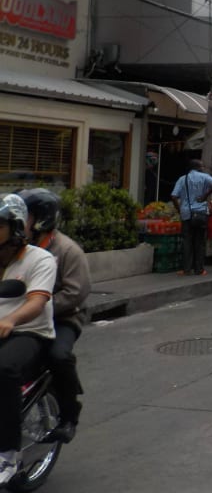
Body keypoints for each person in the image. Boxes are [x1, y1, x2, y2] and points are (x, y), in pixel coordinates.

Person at [20, 189, 89, 444]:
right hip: (21, 316)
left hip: (62, 318)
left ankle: (69, 414)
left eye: (24, 216)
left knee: (58, 355)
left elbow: (75, 293)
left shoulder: (68, 250)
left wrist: (37, 307)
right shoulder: (17, 247)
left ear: (40, 219)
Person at [0, 194, 56, 485]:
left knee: (4, 369)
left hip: (30, 332)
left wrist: (10, 319)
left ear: (17, 228)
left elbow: (36, 301)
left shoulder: (41, 259)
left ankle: (7, 454)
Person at [171, 160, 212, 276]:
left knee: (187, 241)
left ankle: (186, 269)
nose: (203, 168)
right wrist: (204, 196)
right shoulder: (204, 177)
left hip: (186, 214)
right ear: (197, 167)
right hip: (201, 213)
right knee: (199, 242)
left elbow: (173, 196)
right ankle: (199, 269)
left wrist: (180, 209)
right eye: (202, 166)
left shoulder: (182, 179)